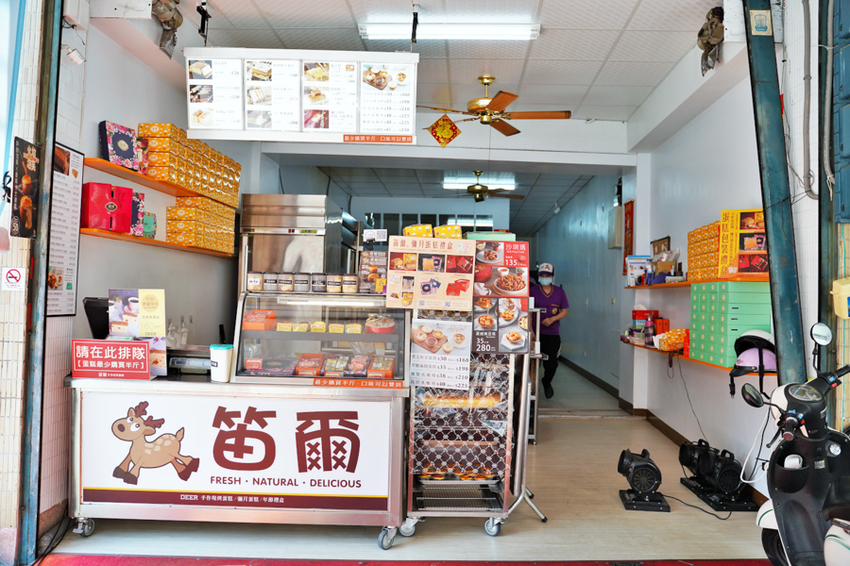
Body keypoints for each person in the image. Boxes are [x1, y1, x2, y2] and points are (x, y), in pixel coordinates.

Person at [529, 262, 569, 399]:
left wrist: (553, 319)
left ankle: (546, 382)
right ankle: (532, 391)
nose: (545, 278)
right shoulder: (533, 291)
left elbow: (564, 311)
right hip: (536, 333)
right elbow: (528, 312)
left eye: (548, 275)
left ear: (552, 276)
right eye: (542, 275)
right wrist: (530, 331)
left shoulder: (559, 292)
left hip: (552, 334)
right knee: (534, 363)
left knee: (551, 364)